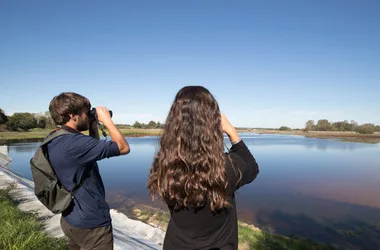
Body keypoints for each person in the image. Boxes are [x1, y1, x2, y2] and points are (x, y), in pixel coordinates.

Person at [147, 86, 259, 250]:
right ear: (212, 123)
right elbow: (252, 168)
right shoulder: (227, 167)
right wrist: (232, 132)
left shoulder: (165, 165)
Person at [47, 92, 130, 250]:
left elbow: (92, 152)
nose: (90, 114)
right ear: (73, 115)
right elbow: (123, 147)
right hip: (92, 225)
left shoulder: (55, 138)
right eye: (87, 111)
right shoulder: (76, 143)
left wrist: (92, 125)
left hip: (70, 218)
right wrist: (107, 121)